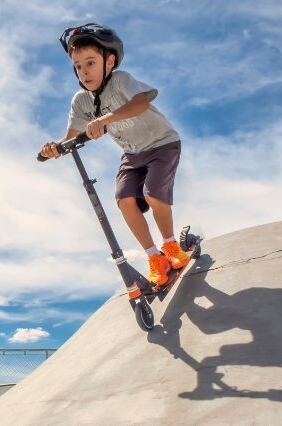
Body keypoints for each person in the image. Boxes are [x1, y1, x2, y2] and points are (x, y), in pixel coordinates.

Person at [40, 23, 188, 286]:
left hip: (162, 144)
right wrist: (55, 149)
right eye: (77, 66)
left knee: (152, 193)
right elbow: (71, 136)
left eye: (90, 63)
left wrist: (106, 118)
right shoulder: (81, 100)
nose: (84, 72)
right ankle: (155, 257)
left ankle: (170, 245)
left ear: (109, 60)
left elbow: (141, 102)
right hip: (132, 154)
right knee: (124, 200)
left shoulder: (121, 80)